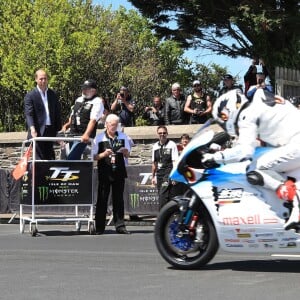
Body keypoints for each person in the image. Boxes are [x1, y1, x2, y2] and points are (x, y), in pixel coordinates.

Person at [202, 88, 300, 230]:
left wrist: (215, 157)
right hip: (293, 143)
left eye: (223, 121)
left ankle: (294, 201)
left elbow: (244, 151)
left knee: (255, 169)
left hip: (296, 143)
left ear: (227, 112)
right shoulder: (262, 100)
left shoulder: (247, 115)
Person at [92, 113, 131, 234]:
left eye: (116, 125)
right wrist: (103, 154)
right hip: (105, 170)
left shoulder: (123, 137)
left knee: (118, 199)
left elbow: (128, 154)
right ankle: (99, 227)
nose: (114, 127)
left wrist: (125, 152)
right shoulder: (99, 138)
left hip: (119, 170)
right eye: (112, 125)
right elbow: (93, 156)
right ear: (107, 125)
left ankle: (120, 225)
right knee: (102, 198)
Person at [61, 79, 104, 160]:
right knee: (70, 156)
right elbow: (73, 115)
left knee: (71, 158)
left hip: (83, 135)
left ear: (93, 91)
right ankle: (74, 172)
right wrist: (66, 126)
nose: (83, 90)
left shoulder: (97, 102)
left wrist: (86, 134)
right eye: (83, 88)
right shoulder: (79, 99)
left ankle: (72, 171)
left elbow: (93, 120)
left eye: (86, 89)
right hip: (72, 133)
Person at [24, 69, 62, 160]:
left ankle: (49, 174)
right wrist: (32, 128)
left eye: (45, 78)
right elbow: (29, 114)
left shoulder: (52, 94)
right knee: (39, 159)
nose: (43, 81)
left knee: (50, 158)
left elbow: (57, 112)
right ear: (36, 79)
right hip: (38, 131)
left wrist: (58, 130)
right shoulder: (30, 95)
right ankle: (39, 174)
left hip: (50, 130)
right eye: (41, 79)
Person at [151, 125, 179, 209]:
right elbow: (154, 163)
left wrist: (175, 176)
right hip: (159, 174)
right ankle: (169, 216)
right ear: (157, 134)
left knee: (162, 195)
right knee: (164, 195)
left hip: (168, 173)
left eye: (164, 133)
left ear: (167, 133)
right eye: (160, 133)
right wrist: (153, 177)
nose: (162, 134)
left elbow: (175, 162)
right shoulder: (155, 146)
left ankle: (161, 217)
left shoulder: (172, 145)